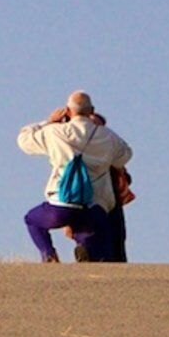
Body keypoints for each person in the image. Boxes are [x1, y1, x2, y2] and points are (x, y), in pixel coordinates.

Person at [18, 92, 133, 262]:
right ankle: (86, 250)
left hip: (62, 202)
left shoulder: (54, 132)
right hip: (95, 205)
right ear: (92, 110)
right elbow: (125, 154)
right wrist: (101, 129)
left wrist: (48, 122)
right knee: (99, 250)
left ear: (68, 112)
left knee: (32, 220)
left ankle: (49, 254)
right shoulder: (107, 136)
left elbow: (24, 140)